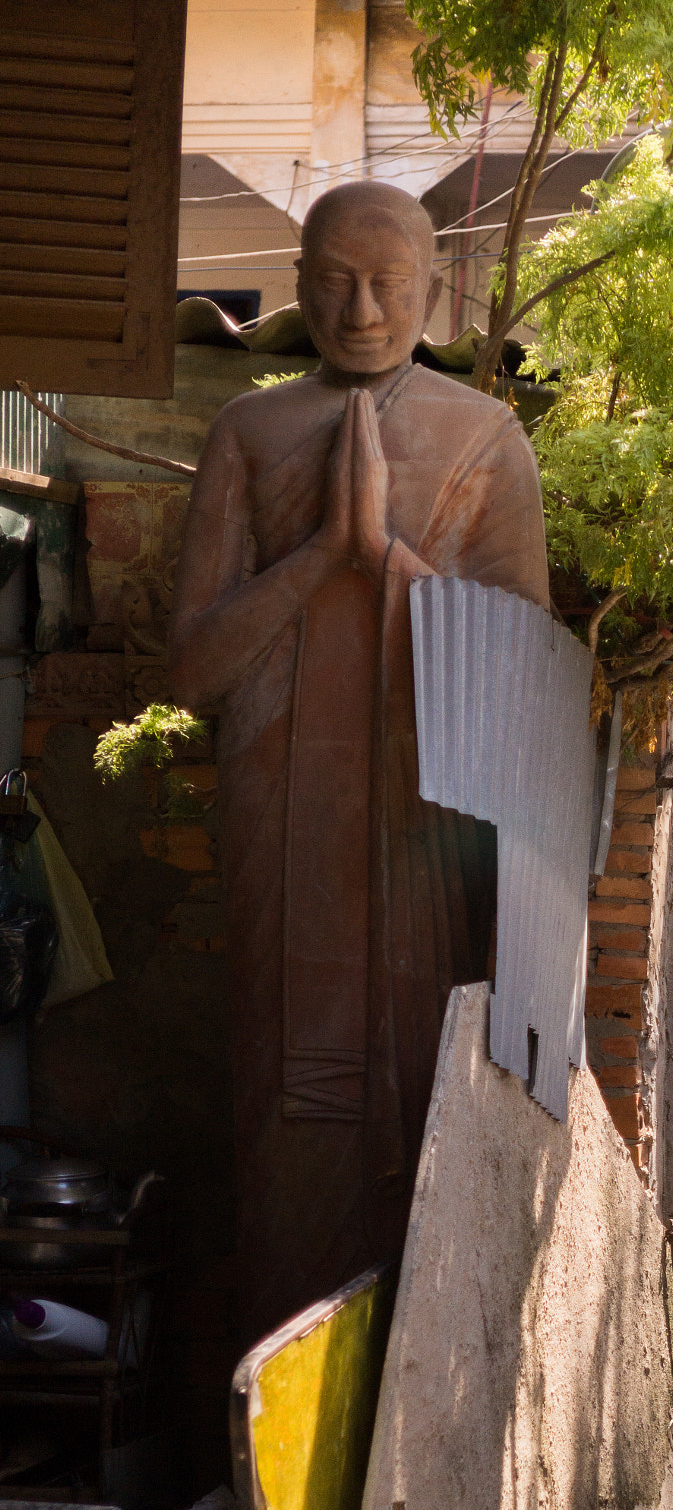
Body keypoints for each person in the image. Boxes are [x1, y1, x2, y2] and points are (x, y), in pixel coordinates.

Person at [169, 181, 551, 1342]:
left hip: (421, 824)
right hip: (283, 820)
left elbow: (524, 679)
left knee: (412, 1080)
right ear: (297, 285)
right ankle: (273, 1391)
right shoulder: (250, 430)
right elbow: (191, 670)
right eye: (334, 278)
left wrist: (388, 560)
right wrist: (323, 554)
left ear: (433, 292)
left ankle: (409, 1389)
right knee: (287, 1096)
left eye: (390, 283)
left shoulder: (484, 437)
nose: (363, 307)